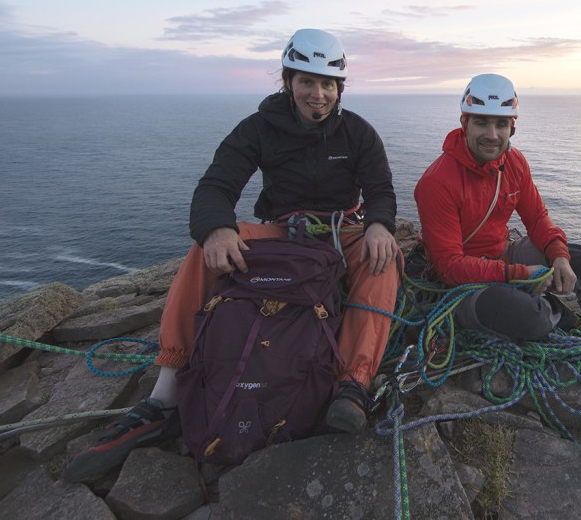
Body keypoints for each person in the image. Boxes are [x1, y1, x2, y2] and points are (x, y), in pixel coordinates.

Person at [65, 29, 399, 482]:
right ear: (288, 81)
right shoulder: (259, 128)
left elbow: (380, 189)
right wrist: (218, 229)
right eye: (306, 81)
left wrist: (380, 225)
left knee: (384, 262)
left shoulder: (357, 132)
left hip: (346, 229)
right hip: (284, 229)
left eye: (328, 84)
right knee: (205, 249)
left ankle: (352, 385)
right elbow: (216, 185)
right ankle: (164, 394)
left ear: (340, 88)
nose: (317, 94)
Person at [413, 73, 581, 353]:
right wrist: (518, 274)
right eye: (481, 122)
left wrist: (559, 256)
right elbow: (450, 267)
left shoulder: (514, 163)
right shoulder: (437, 182)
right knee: (530, 315)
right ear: (464, 124)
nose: (492, 135)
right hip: (457, 288)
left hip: (501, 257)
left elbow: (537, 218)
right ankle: (564, 319)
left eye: (501, 124)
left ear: (512, 127)